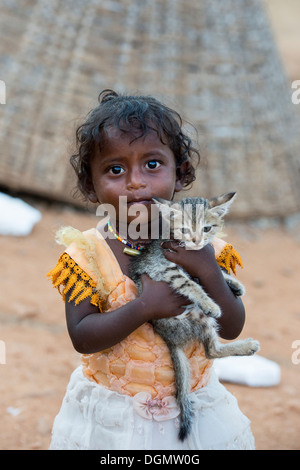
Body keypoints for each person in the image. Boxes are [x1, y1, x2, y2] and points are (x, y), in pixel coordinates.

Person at [47, 89, 255, 450]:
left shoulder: (204, 248)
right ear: (90, 186)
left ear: (180, 174)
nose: (135, 181)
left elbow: (233, 326)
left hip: (195, 420)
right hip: (111, 424)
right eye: (115, 169)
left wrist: (207, 270)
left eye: (153, 164)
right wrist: (145, 307)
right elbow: (82, 336)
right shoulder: (87, 255)